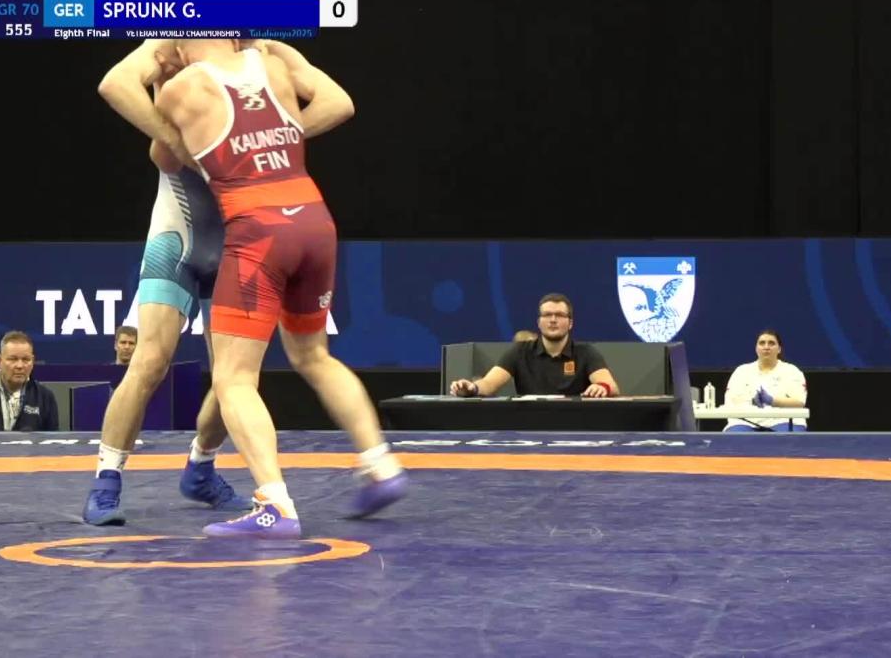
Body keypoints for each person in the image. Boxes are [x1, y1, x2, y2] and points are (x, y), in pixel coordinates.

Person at [84, 39, 357, 526]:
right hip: (179, 239)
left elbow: (338, 102)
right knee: (149, 360)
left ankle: (201, 466)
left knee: (234, 374)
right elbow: (132, 108)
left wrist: (278, 135)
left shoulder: (261, 60)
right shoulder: (171, 51)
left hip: (244, 241)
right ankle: (107, 479)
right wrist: (180, 139)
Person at [152, 39, 407, 539]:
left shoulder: (184, 87)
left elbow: (166, 157)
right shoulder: (273, 63)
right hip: (313, 218)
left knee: (233, 378)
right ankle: (381, 465)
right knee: (314, 356)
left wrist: (162, 82)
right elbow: (339, 102)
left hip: (259, 230)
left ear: (183, 40)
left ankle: (275, 504)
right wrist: (278, 133)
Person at [450, 293, 620, 398]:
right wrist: (472, 388)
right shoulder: (519, 351)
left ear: (570, 323)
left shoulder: (586, 352)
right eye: (547, 315)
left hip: (576, 425)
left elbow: (611, 386)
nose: (553, 320)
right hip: (529, 424)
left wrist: (601, 387)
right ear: (539, 322)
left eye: (560, 315)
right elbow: (489, 384)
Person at [722, 329, 808, 432]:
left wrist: (772, 401)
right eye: (762, 343)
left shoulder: (792, 371)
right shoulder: (741, 371)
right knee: (737, 438)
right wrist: (750, 400)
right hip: (745, 422)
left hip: (783, 420)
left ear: (779, 349)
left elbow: (799, 402)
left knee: (787, 439)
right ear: (756, 348)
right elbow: (730, 402)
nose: (766, 347)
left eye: (771, 343)